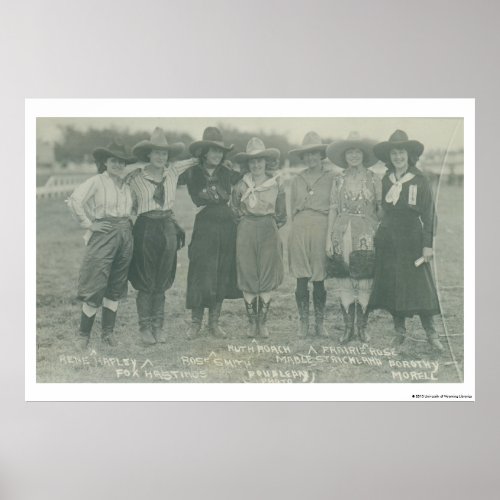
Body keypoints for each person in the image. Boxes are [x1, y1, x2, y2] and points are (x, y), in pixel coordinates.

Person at [369, 130, 444, 353]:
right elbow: (381, 211)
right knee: (393, 285)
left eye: (401, 152)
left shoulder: (420, 180)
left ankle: (432, 334)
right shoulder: (385, 180)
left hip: (412, 239)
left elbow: (430, 214)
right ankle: (399, 333)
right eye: (394, 152)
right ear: (389, 156)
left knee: (421, 287)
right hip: (389, 240)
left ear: (409, 154)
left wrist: (428, 245)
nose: (398, 157)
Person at [127, 128, 198, 346]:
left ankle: (158, 326)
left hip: (167, 226)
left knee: (162, 277)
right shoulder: (135, 177)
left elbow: (196, 160)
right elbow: (123, 199)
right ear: (148, 154)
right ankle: (145, 327)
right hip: (145, 227)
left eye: (164, 153)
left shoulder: (173, 172)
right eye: (156, 153)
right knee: (146, 278)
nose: (160, 157)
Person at [66, 140, 136, 349]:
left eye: (122, 162)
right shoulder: (97, 181)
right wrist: (89, 224)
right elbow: (74, 200)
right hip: (103, 233)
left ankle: (108, 333)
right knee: (96, 283)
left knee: (116, 284)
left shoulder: (126, 184)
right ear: (105, 162)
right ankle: (83, 335)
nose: (118, 165)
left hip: (125, 233)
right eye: (114, 161)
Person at [180, 127, 243, 339]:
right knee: (200, 272)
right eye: (212, 151)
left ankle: (214, 323)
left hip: (227, 226)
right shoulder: (192, 172)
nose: (216, 155)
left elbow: (251, 175)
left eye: (220, 151)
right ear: (204, 152)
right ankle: (195, 323)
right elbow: (170, 173)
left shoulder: (228, 173)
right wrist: (192, 162)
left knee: (221, 271)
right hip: (205, 226)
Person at [325, 132, 381, 343]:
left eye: (358, 151)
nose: (354, 155)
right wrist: (329, 238)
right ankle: (348, 329)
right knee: (344, 279)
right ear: (345, 155)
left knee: (365, 281)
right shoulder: (338, 179)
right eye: (350, 152)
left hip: (366, 233)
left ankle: (362, 328)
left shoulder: (374, 179)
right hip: (341, 232)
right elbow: (332, 209)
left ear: (364, 155)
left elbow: (381, 209)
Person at [231, 138, 287, 338]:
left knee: (266, 273)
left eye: (260, 160)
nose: (256, 165)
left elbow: (282, 214)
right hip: (246, 228)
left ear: (266, 162)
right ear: (248, 164)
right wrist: (247, 223)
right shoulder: (240, 184)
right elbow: (235, 209)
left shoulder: (276, 184)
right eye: (252, 161)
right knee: (247, 272)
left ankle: (262, 323)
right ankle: (251, 322)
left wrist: (267, 225)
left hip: (268, 228)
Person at [288, 132, 335, 337]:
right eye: (306, 155)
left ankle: (320, 323)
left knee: (319, 277)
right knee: (301, 276)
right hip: (300, 227)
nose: (310, 158)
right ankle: (303, 323)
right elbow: (293, 208)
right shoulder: (297, 179)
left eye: (314, 154)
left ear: (321, 155)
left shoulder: (332, 177)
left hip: (322, 226)